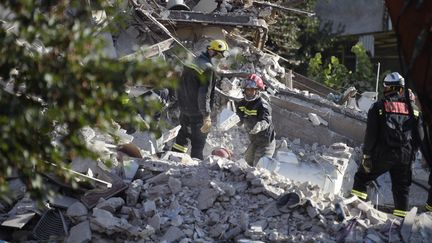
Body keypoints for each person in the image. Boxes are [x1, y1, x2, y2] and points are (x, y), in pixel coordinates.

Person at [350, 72, 423, 218]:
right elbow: (419, 137)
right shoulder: (414, 110)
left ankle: (355, 213)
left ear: (387, 88)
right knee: (401, 190)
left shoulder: (378, 107)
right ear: (401, 89)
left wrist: (367, 155)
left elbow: (371, 135)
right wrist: (412, 154)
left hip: (382, 154)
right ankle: (399, 226)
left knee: (362, 178)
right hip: (405, 155)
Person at [171, 39, 229, 160]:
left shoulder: (192, 62)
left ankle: (174, 159)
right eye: (219, 56)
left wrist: (181, 104)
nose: (220, 60)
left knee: (183, 136)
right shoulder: (208, 69)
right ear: (212, 52)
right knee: (199, 141)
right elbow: (204, 95)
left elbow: (180, 85)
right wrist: (206, 115)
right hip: (197, 111)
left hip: (184, 108)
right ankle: (196, 168)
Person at [236, 74, 275, 166]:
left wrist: (260, 125)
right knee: (247, 162)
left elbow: (266, 120)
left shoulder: (262, 104)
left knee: (260, 167)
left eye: (251, 90)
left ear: (257, 91)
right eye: (247, 90)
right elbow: (238, 120)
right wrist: (230, 122)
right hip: (254, 140)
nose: (249, 92)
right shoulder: (242, 104)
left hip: (266, 142)